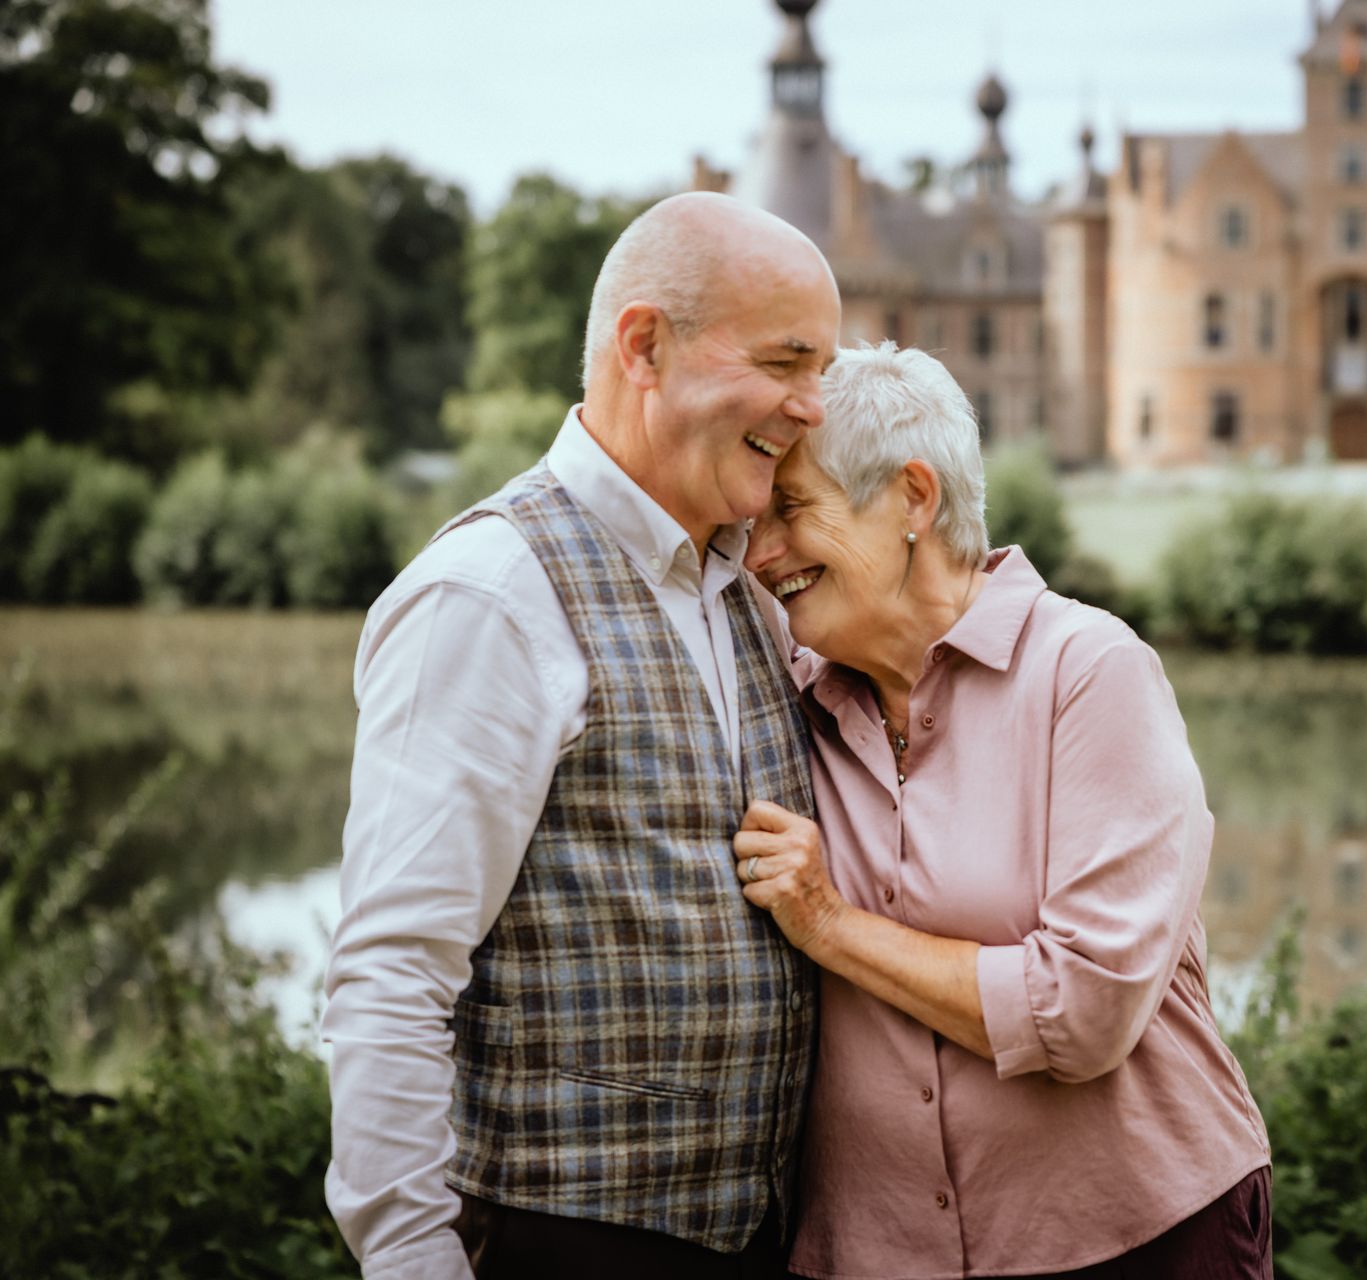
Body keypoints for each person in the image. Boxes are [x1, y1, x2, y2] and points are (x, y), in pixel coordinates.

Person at [324, 192, 841, 1280]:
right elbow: (390, 974)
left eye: (821, 371)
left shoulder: (751, 585)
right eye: (787, 361)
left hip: (756, 1239)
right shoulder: (490, 593)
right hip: (553, 1245)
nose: (814, 407)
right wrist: (414, 1261)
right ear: (645, 346)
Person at [736, 342, 1272, 1279]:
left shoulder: (1089, 672)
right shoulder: (780, 696)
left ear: (913, 496)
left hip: (1140, 1240)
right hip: (875, 1254)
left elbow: (1087, 1008)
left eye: (791, 510)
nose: (761, 553)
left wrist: (828, 923)